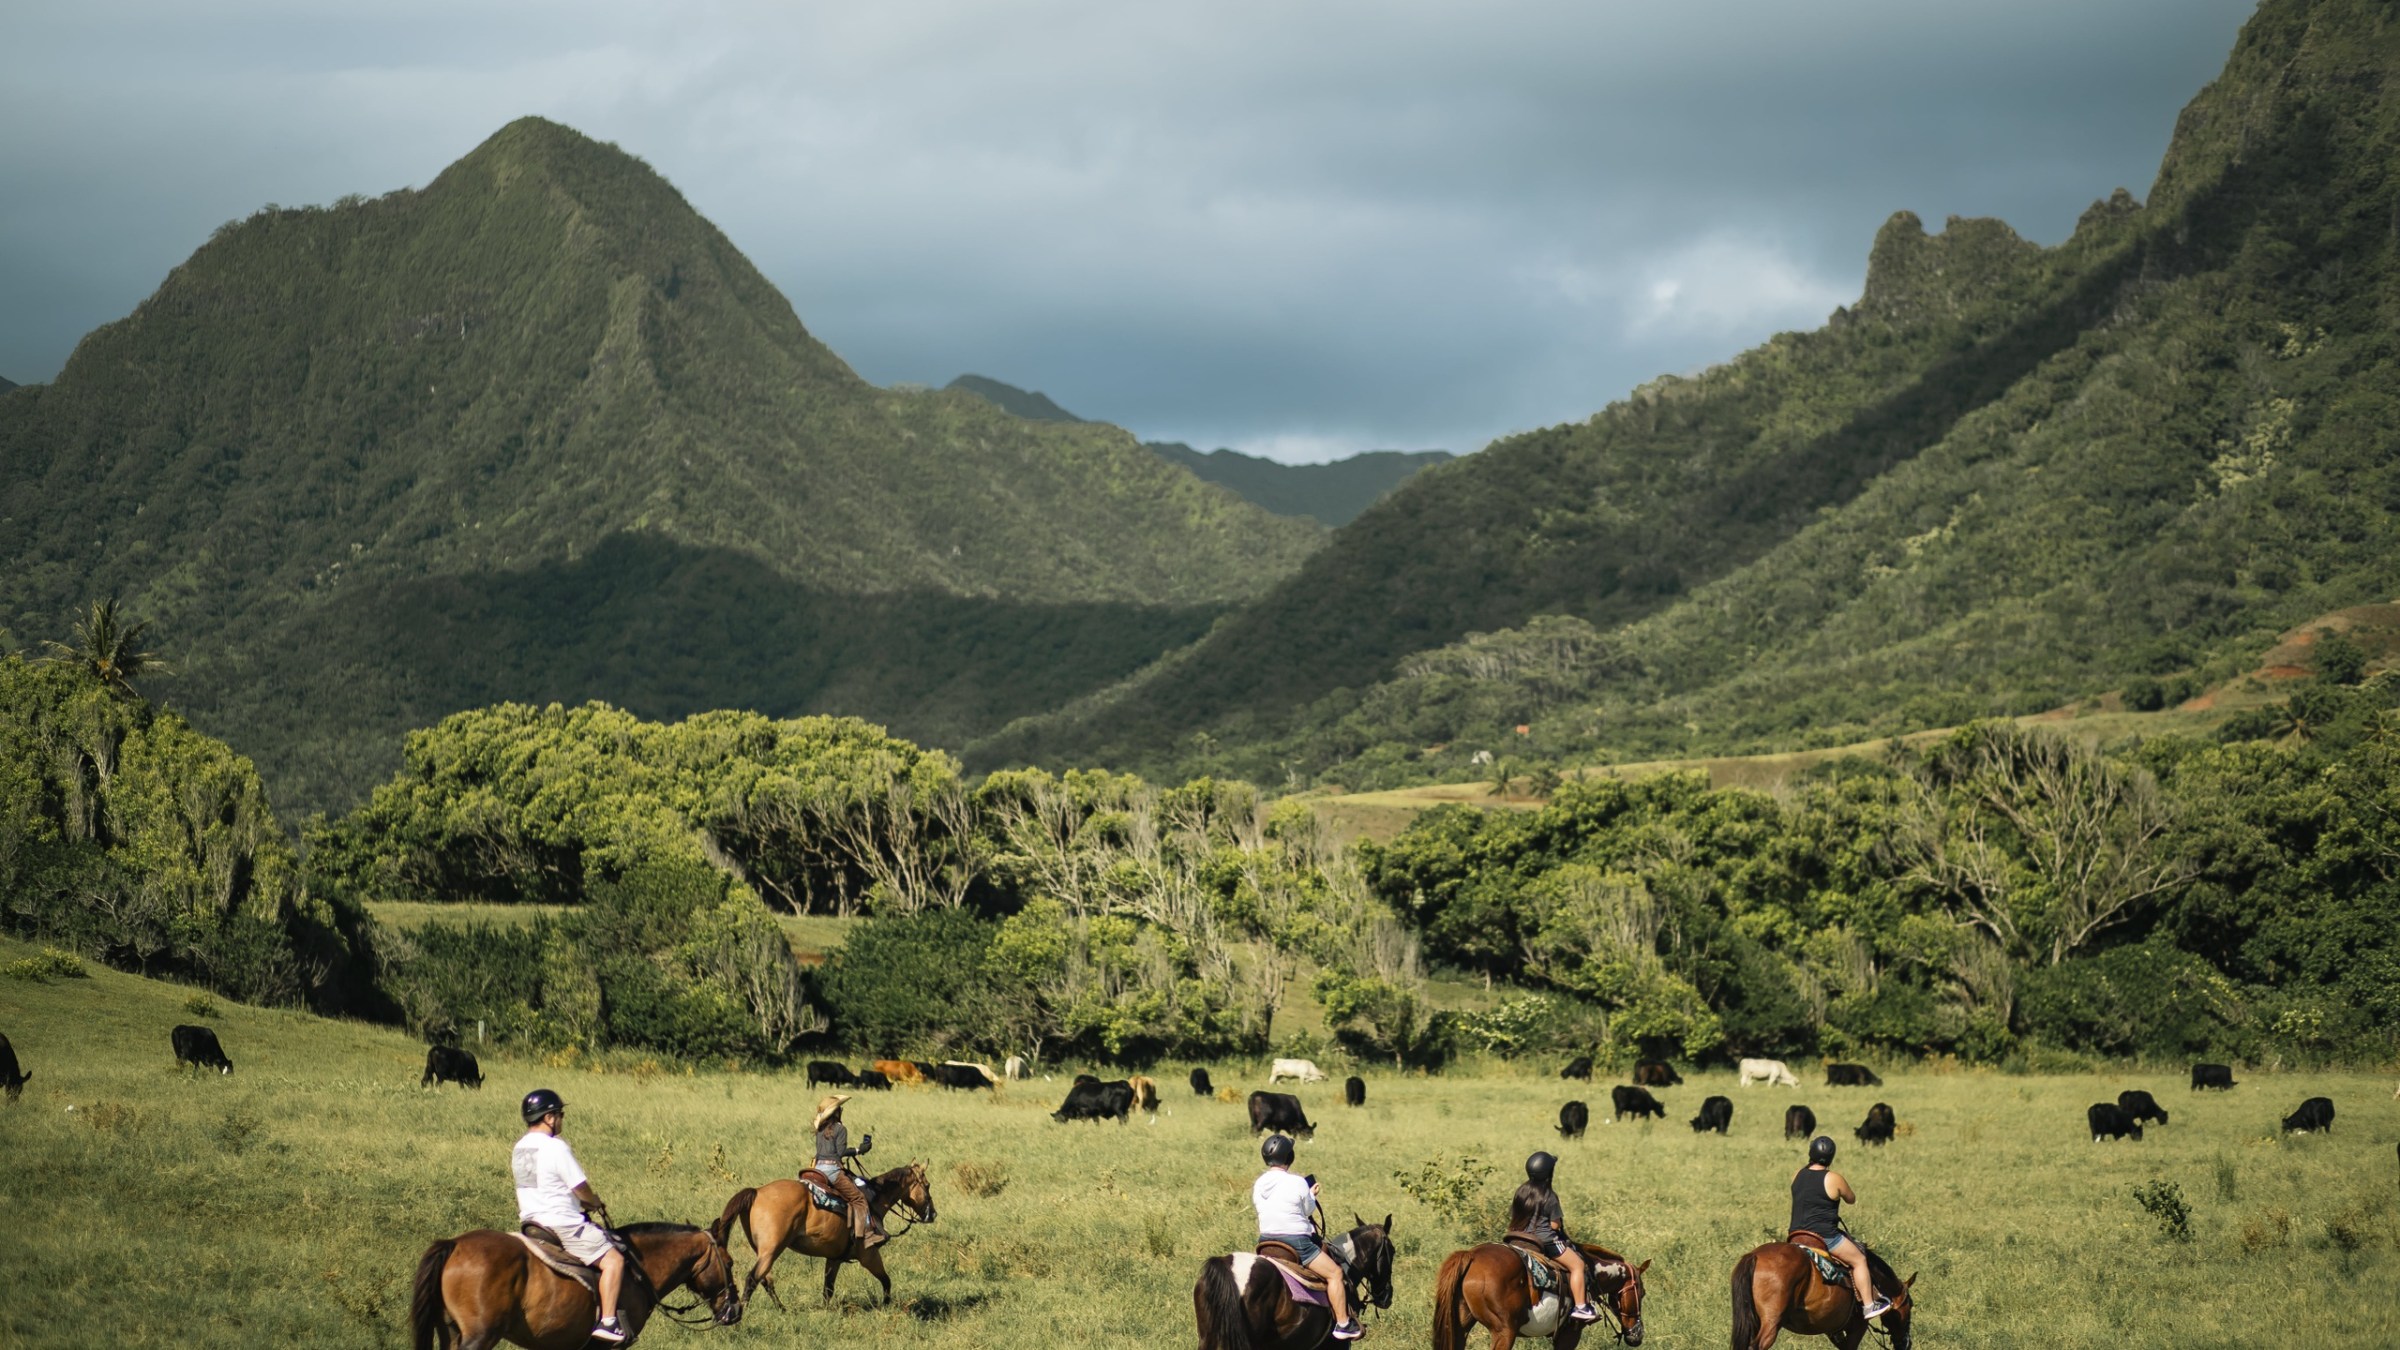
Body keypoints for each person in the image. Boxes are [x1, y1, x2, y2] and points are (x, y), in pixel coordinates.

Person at [513, 1088, 629, 1344]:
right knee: (614, 1261)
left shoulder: (520, 1148)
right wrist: (593, 1202)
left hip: (531, 1224)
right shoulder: (556, 1147)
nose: (561, 1119)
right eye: (560, 1114)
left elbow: (542, 1185)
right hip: (562, 1224)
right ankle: (608, 1321)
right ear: (549, 1117)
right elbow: (580, 1188)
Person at [1253, 1135, 1363, 1341]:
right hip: (1296, 1243)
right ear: (1289, 1156)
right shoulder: (1297, 1181)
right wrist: (1311, 1194)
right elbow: (1307, 1209)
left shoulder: (1259, 1183)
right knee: (1335, 1274)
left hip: (1265, 1242)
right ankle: (1342, 1323)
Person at [1789, 1136, 1891, 1319]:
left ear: (1810, 1153)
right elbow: (1851, 1199)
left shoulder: (1797, 1174)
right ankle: (1869, 1305)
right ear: (1831, 1157)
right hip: (1824, 1237)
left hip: (1796, 1235)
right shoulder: (1834, 1178)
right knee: (1859, 1260)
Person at [1510, 1152, 1601, 1323]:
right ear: (1548, 1173)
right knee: (1578, 1265)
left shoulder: (1521, 1191)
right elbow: (1555, 1225)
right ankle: (1581, 1307)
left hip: (1518, 1237)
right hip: (1546, 1241)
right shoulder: (1549, 1195)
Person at [811, 1094, 886, 1249]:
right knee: (859, 1199)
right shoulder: (840, 1128)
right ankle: (866, 1235)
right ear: (837, 1112)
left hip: (817, 1169)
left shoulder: (820, 1129)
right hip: (832, 1170)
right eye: (841, 1109)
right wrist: (860, 1150)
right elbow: (839, 1153)